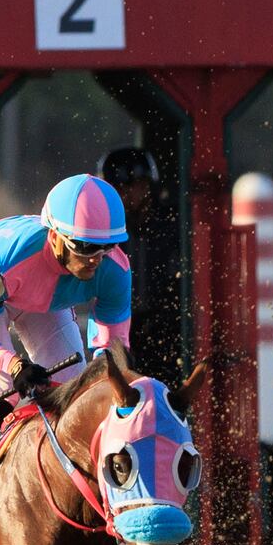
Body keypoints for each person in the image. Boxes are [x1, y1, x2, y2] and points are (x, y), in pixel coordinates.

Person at [0, 174, 134, 545]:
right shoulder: (11, 256)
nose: (93, 260)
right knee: (1, 394)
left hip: (43, 299)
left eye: (104, 248)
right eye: (84, 247)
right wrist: (15, 362)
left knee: (79, 397)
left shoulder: (115, 270)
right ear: (55, 236)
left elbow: (111, 350)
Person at [100, 144, 186, 382]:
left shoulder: (174, 224)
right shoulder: (103, 232)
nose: (127, 194)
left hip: (171, 332)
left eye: (135, 185)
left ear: (149, 186)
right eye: (119, 188)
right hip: (122, 330)